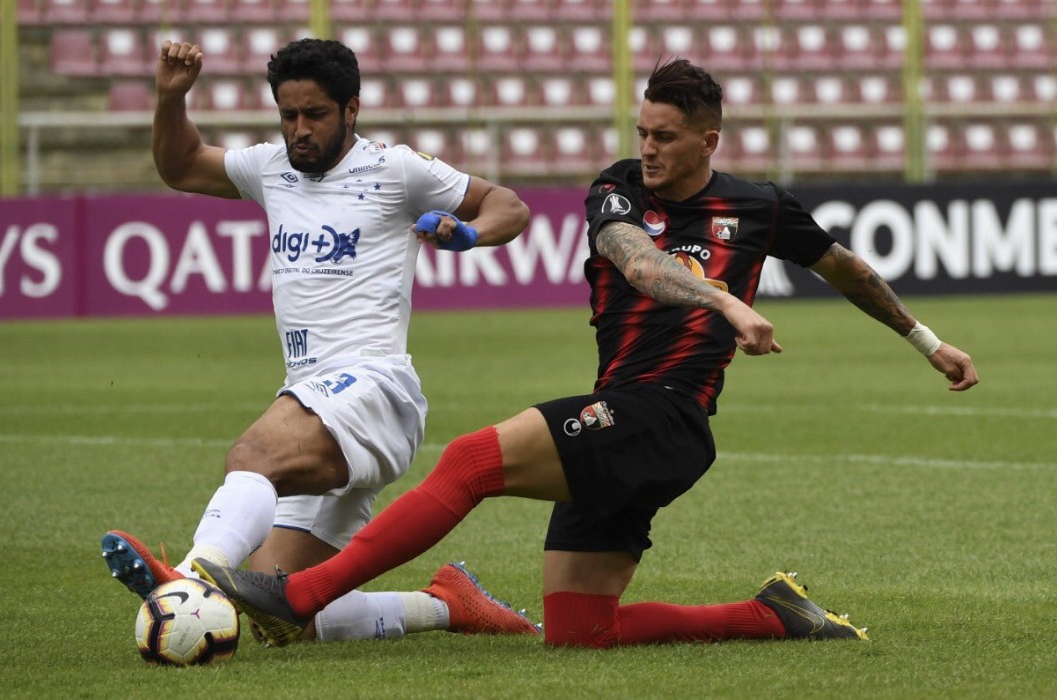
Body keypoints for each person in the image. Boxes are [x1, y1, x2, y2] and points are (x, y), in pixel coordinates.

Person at [193, 57, 980, 649]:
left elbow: (846, 268)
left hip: (666, 417)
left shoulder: (761, 206)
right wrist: (726, 298)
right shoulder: (619, 190)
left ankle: (299, 597)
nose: (648, 150)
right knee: (580, 629)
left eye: (665, 137)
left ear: (709, 139)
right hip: (624, 416)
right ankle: (771, 616)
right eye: (642, 132)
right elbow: (637, 261)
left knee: (472, 462)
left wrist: (927, 341)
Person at [100, 37, 541, 643]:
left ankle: (187, 579)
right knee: (278, 611)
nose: (299, 130)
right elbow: (181, 166)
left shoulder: (395, 168)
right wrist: (170, 100)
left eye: (315, 115)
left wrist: (467, 231)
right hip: (312, 398)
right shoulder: (269, 169)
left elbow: (509, 206)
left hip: (377, 388)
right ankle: (446, 604)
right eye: (288, 116)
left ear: (351, 110)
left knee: (251, 457)